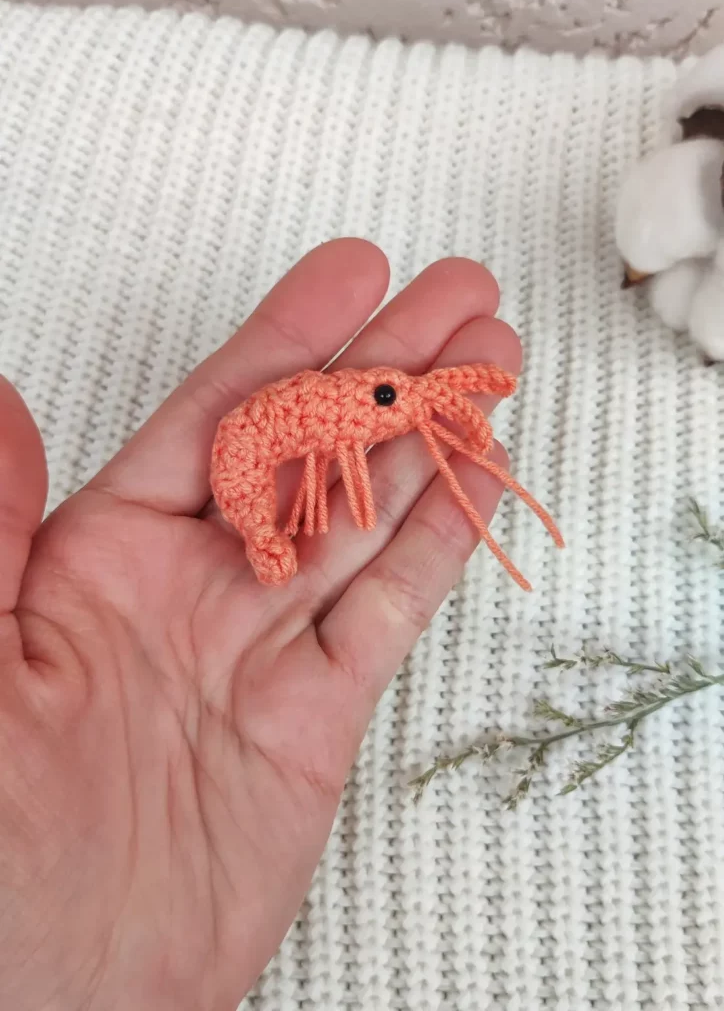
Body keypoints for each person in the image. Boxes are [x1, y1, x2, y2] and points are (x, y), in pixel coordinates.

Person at [0, 238, 521, 1009]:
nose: (396, 402)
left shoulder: (347, 407)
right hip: (251, 467)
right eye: (386, 398)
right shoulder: (286, 433)